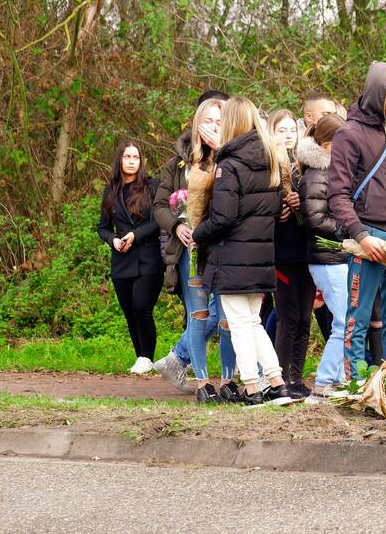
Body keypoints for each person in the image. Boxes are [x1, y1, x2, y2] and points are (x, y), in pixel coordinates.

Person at [193, 97, 291, 405]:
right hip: (260, 254)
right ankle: (276, 381)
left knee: (238, 324)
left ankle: (252, 387)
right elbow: (274, 212)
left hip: (233, 257)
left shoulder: (229, 165)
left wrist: (199, 233)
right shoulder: (270, 160)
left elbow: (223, 217)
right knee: (253, 321)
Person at [328, 62, 386, 375]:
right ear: (375, 93)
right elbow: (337, 195)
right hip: (368, 235)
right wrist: (361, 236)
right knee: (359, 317)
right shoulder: (348, 134)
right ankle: (355, 382)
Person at [152, 96, 239, 402]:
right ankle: (203, 384)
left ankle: (229, 381)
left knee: (228, 317)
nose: (213, 127)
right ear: (196, 124)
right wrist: (177, 225)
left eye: (219, 121)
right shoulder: (178, 165)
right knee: (199, 316)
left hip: (225, 250)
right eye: (207, 121)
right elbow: (159, 206)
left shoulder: (233, 159)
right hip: (191, 251)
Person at [97, 140, 165, 374]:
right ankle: (140, 357)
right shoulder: (111, 190)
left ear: (141, 161)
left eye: (136, 157)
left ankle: (147, 357)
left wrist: (135, 235)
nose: (132, 161)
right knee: (129, 311)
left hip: (149, 257)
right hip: (121, 259)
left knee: (141, 307)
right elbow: (103, 227)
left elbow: (159, 221)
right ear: (120, 160)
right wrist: (112, 240)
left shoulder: (152, 186)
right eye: (127, 157)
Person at [298, 114, 351, 399]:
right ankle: (324, 380)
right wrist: (351, 231)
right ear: (330, 144)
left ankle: (339, 378)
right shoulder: (317, 174)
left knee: (345, 319)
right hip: (326, 256)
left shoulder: (334, 171)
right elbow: (316, 219)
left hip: (336, 256)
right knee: (343, 321)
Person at [268, 108, 315, 398]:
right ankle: (280, 378)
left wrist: (304, 203)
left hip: (306, 252)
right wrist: (279, 210)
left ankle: (296, 377)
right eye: (281, 130)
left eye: (291, 130)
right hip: (280, 255)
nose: (287, 136)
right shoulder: (268, 168)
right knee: (289, 316)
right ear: (271, 133)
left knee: (305, 318)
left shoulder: (303, 168)